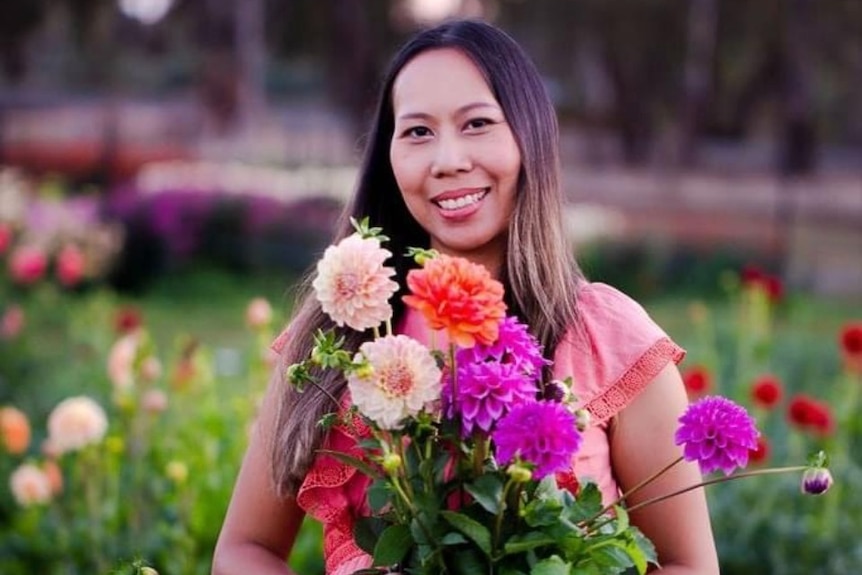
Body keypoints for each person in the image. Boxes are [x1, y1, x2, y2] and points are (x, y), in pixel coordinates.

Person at [213, 19, 720, 575]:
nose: (447, 159)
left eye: (477, 123)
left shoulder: (609, 341)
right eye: (417, 132)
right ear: (388, 156)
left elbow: (687, 564)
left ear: (530, 138)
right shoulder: (336, 339)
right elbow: (245, 550)